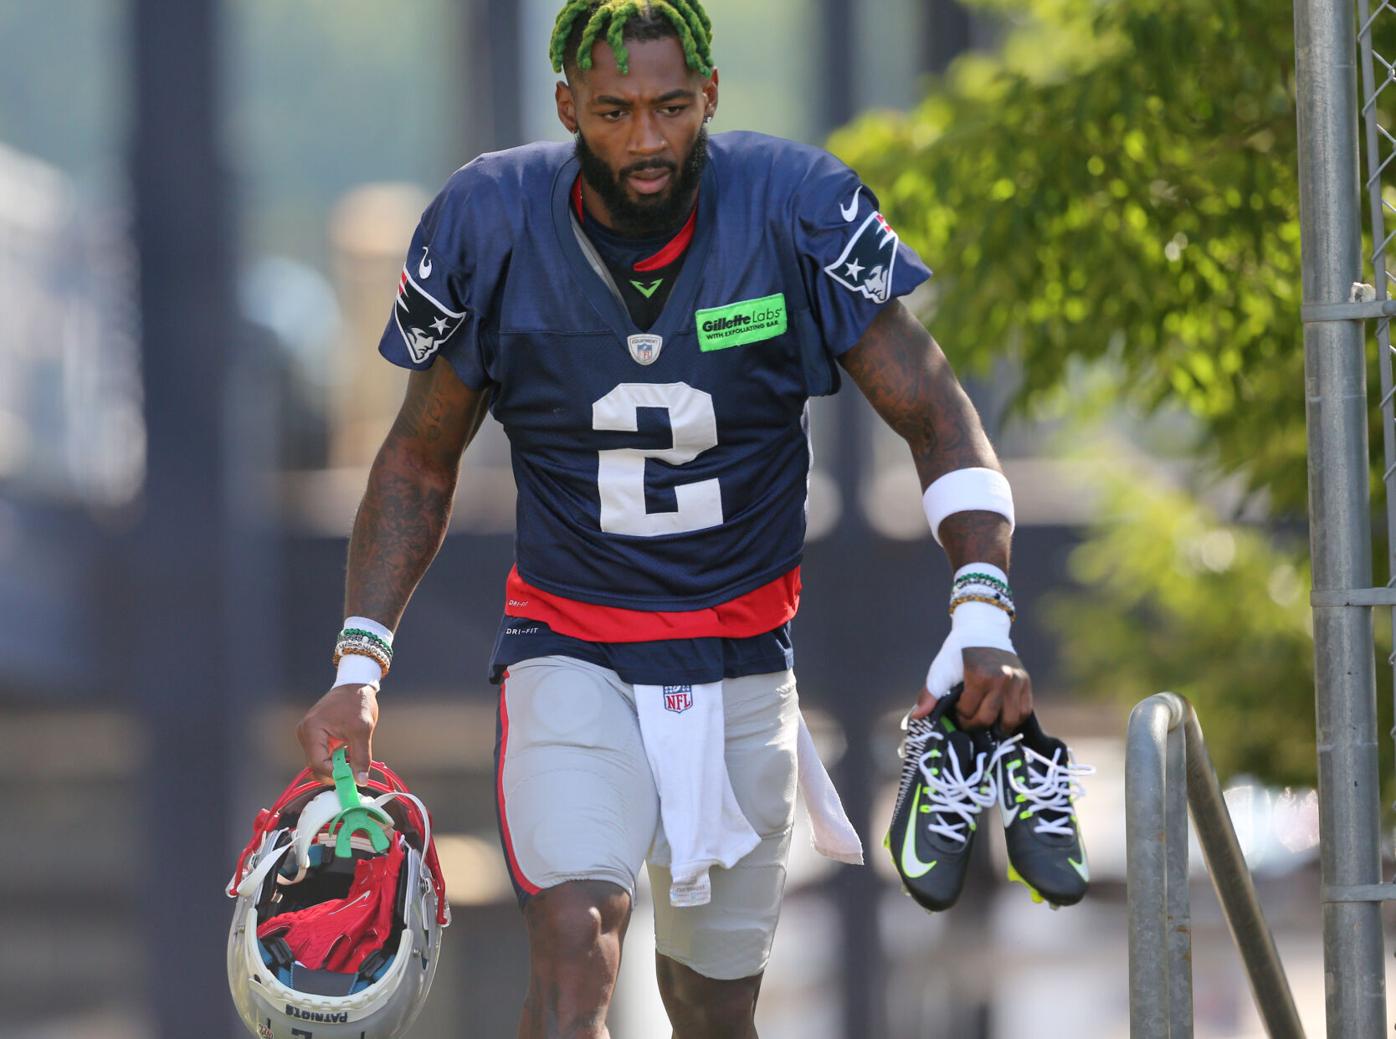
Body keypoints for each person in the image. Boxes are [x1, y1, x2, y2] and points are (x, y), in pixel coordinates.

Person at [294, 2, 1088, 1036]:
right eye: (615, 111)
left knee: (712, 1010)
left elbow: (936, 413)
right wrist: (360, 665)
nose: (647, 138)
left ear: (709, 96)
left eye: (671, 106)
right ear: (567, 106)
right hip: (570, 646)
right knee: (575, 948)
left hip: (741, 661)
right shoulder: (490, 219)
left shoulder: (792, 208)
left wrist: (981, 609)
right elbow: (418, 455)